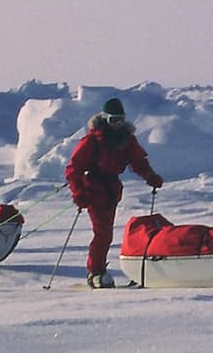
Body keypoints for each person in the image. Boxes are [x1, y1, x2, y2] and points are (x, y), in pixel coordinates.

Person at [65, 97, 164, 288]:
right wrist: (78, 193)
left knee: (106, 233)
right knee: (102, 233)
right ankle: (95, 272)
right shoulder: (92, 141)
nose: (117, 124)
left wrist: (150, 176)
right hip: (93, 189)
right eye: (113, 120)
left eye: (120, 119)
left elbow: (138, 161)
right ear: (104, 118)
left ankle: (99, 270)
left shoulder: (127, 139)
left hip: (111, 190)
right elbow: (74, 169)